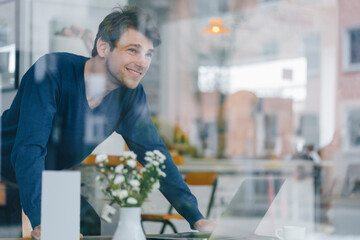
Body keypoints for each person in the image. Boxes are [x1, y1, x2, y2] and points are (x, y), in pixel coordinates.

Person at [0, 6, 215, 238]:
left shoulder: (130, 96)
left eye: (148, 54)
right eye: (133, 50)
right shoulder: (52, 72)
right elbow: (29, 149)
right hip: (7, 175)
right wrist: (42, 221)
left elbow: (155, 154)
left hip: (51, 178)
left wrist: (196, 217)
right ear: (103, 47)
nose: (143, 62)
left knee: (90, 226)